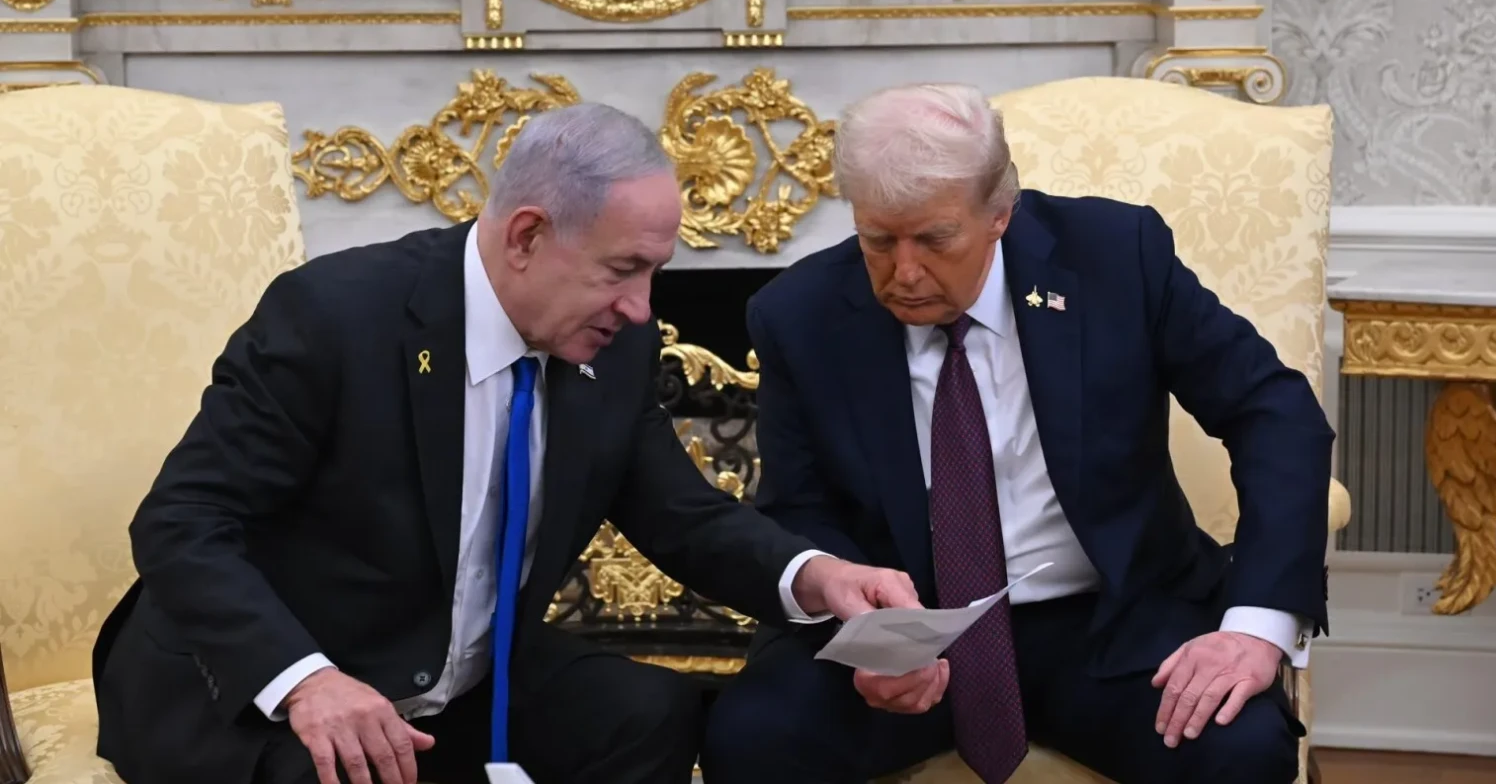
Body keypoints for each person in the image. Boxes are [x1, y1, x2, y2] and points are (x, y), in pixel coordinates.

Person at [91, 103, 918, 784]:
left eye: (654, 273)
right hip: (268, 683)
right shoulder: (336, 318)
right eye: (621, 270)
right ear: (526, 236)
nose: (641, 307)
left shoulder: (613, 346)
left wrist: (819, 575)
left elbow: (682, 517)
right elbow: (182, 521)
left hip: (451, 676)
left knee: (646, 716)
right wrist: (307, 683)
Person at [700, 84, 1334, 784]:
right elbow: (801, 506)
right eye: (878, 240)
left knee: (1240, 749)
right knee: (750, 739)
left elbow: (1272, 410)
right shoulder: (801, 314)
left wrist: (1254, 628)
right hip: (910, 636)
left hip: (1113, 624)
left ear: (1000, 213)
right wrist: (871, 641)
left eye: (935, 240)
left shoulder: (1114, 257)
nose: (904, 272)